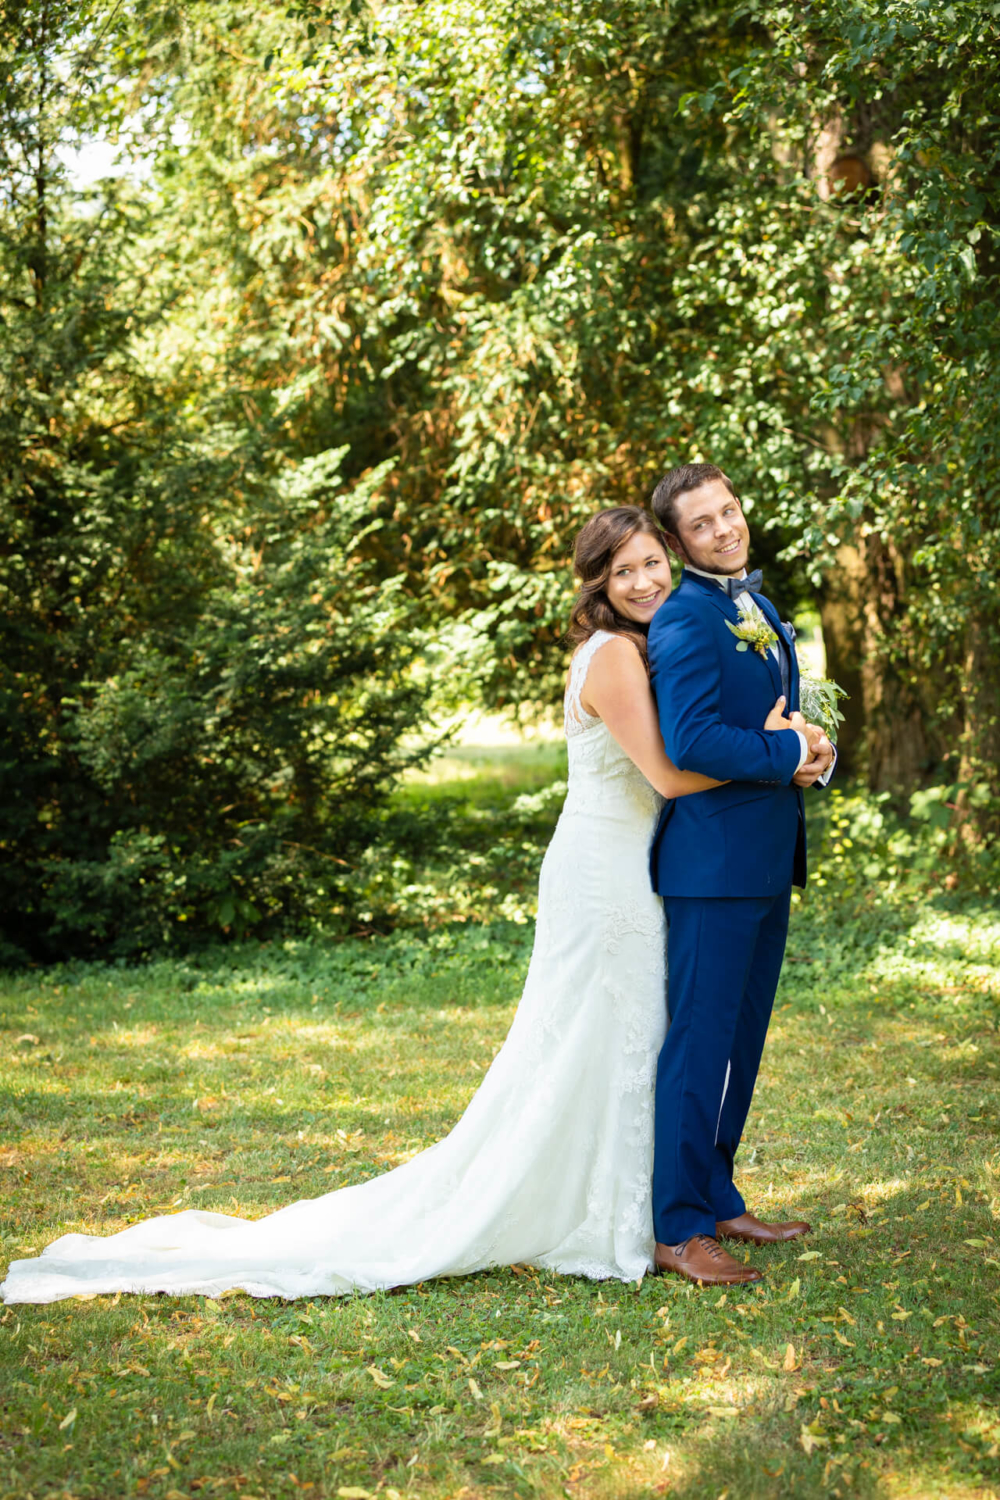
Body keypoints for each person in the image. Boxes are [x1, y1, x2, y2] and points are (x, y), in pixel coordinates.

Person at [0, 506, 793, 1306]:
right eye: (623, 571)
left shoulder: (634, 646)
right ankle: (641, 1218)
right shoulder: (616, 657)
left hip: (626, 862)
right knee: (611, 1035)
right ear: (597, 583)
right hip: (605, 871)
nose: (645, 580)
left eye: (653, 563)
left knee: (620, 1039)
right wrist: (781, 752)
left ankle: (645, 1204)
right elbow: (669, 774)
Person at [646, 463, 835, 1288]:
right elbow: (689, 743)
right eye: (703, 523)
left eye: (730, 511)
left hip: (763, 860)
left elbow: (774, 724)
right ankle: (679, 1228)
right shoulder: (684, 620)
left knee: (742, 1046)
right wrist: (784, 752)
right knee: (698, 1049)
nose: (726, 529)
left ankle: (719, 1195)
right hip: (711, 867)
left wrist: (812, 751)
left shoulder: (756, 606)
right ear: (678, 541)